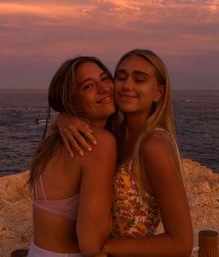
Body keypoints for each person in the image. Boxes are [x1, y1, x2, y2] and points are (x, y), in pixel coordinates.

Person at [57, 49, 194, 257]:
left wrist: (105, 246)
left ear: (159, 92)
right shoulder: (113, 136)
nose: (127, 85)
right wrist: (64, 120)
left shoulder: (153, 145)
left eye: (139, 79)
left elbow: (181, 244)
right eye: (120, 77)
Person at [27, 56, 117, 257]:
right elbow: (92, 244)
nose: (103, 89)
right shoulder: (98, 142)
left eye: (105, 78)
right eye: (88, 86)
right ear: (72, 100)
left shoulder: (54, 142)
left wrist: (62, 118)